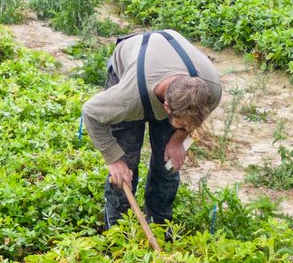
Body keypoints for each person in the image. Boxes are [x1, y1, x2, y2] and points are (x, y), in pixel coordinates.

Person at [81, 29, 224, 233]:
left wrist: (178, 140)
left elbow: (193, 119)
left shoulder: (210, 89)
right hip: (131, 68)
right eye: (183, 126)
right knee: (125, 167)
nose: (188, 130)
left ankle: (160, 225)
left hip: (168, 65)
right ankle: (118, 232)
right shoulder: (127, 97)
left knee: (167, 166)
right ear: (166, 108)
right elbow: (90, 113)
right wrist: (114, 159)